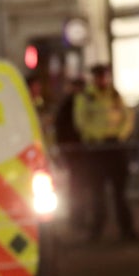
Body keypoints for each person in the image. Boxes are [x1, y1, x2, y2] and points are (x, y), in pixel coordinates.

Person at [73, 63, 138, 242]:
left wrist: (120, 135)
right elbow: (81, 122)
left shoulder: (115, 95)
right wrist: (97, 137)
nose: (102, 79)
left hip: (115, 148)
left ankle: (127, 229)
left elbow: (127, 118)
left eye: (104, 76)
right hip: (96, 150)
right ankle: (96, 230)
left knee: (120, 193)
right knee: (97, 193)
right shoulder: (86, 97)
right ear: (94, 78)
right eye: (98, 76)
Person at [54, 77, 87, 228]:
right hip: (75, 152)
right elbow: (61, 127)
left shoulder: (77, 102)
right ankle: (76, 219)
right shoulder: (68, 104)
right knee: (77, 187)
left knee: (80, 187)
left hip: (80, 151)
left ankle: (79, 218)